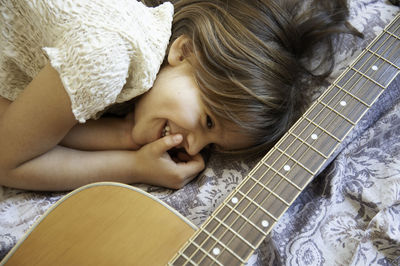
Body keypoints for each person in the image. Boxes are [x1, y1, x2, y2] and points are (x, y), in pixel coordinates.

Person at [0, 0, 360, 191]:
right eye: (207, 120)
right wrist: (132, 167)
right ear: (184, 52)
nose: (190, 147)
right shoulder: (108, 57)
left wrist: (128, 135)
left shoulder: (142, 70)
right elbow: (7, 161)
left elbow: (36, 130)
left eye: (209, 146)